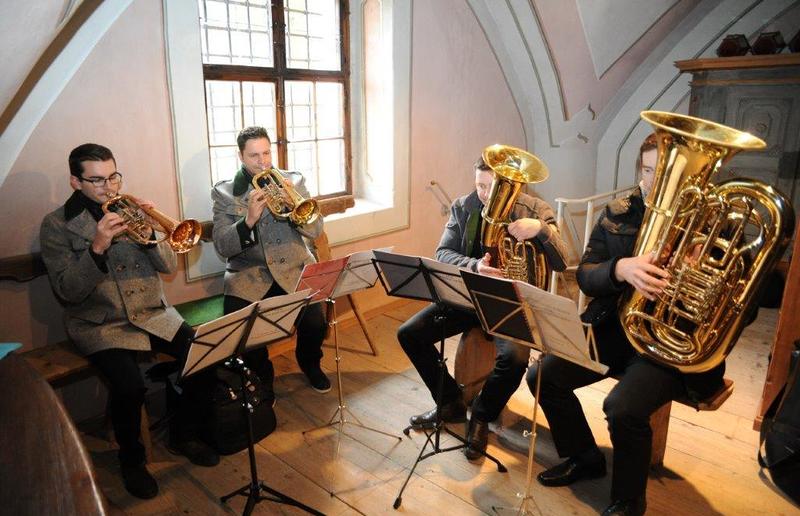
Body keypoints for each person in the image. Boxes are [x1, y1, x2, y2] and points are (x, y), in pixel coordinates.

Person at [526, 134, 726, 516]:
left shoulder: (714, 223)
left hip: (672, 342)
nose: (655, 182)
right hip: (615, 325)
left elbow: (745, 304)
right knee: (542, 376)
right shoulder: (618, 212)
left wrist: (701, 276)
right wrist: (620, 269)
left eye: (667, 174)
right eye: (649, 170)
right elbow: (585, 276)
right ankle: (584, 457)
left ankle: (629, 500)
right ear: (640, 171)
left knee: (621, 408)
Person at [40, 143, 219, 500]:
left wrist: (152, 234)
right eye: (97, 180)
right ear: (76, 182)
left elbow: (169, 265)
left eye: (113, 177)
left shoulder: (132, 209)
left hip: (151, 313)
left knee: (204, 355)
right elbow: (67, 291)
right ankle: (132, 461)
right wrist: (98, 245)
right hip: (101, 322)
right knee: (129, 387)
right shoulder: (56, 225)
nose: (109, 187)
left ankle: (184, 435)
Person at [397, 156, 568, 460]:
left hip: (511, 303)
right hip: (468, 297)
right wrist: (474, 265)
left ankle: (481, 415)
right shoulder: (465, 206)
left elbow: (563, 261)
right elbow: (443, 253)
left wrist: (541, 230)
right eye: (480, 186)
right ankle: (449, 402)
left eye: (493, 187)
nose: (486, 195)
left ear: (514, 186)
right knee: (409, 333)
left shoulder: (535, 210)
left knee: (515, 358)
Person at [211, 126, 330, 393]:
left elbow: (315, 230)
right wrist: (248, 220)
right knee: (243, 326)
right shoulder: (224, 192)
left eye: (266, 153)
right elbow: (222, 246)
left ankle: (310, 364)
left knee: (315, 322)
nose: (263, 161)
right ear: (240, 156)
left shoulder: (293, 181)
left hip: (294, 268)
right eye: (254, 155)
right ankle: (263, 377)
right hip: (249, 274)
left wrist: (293, 206)